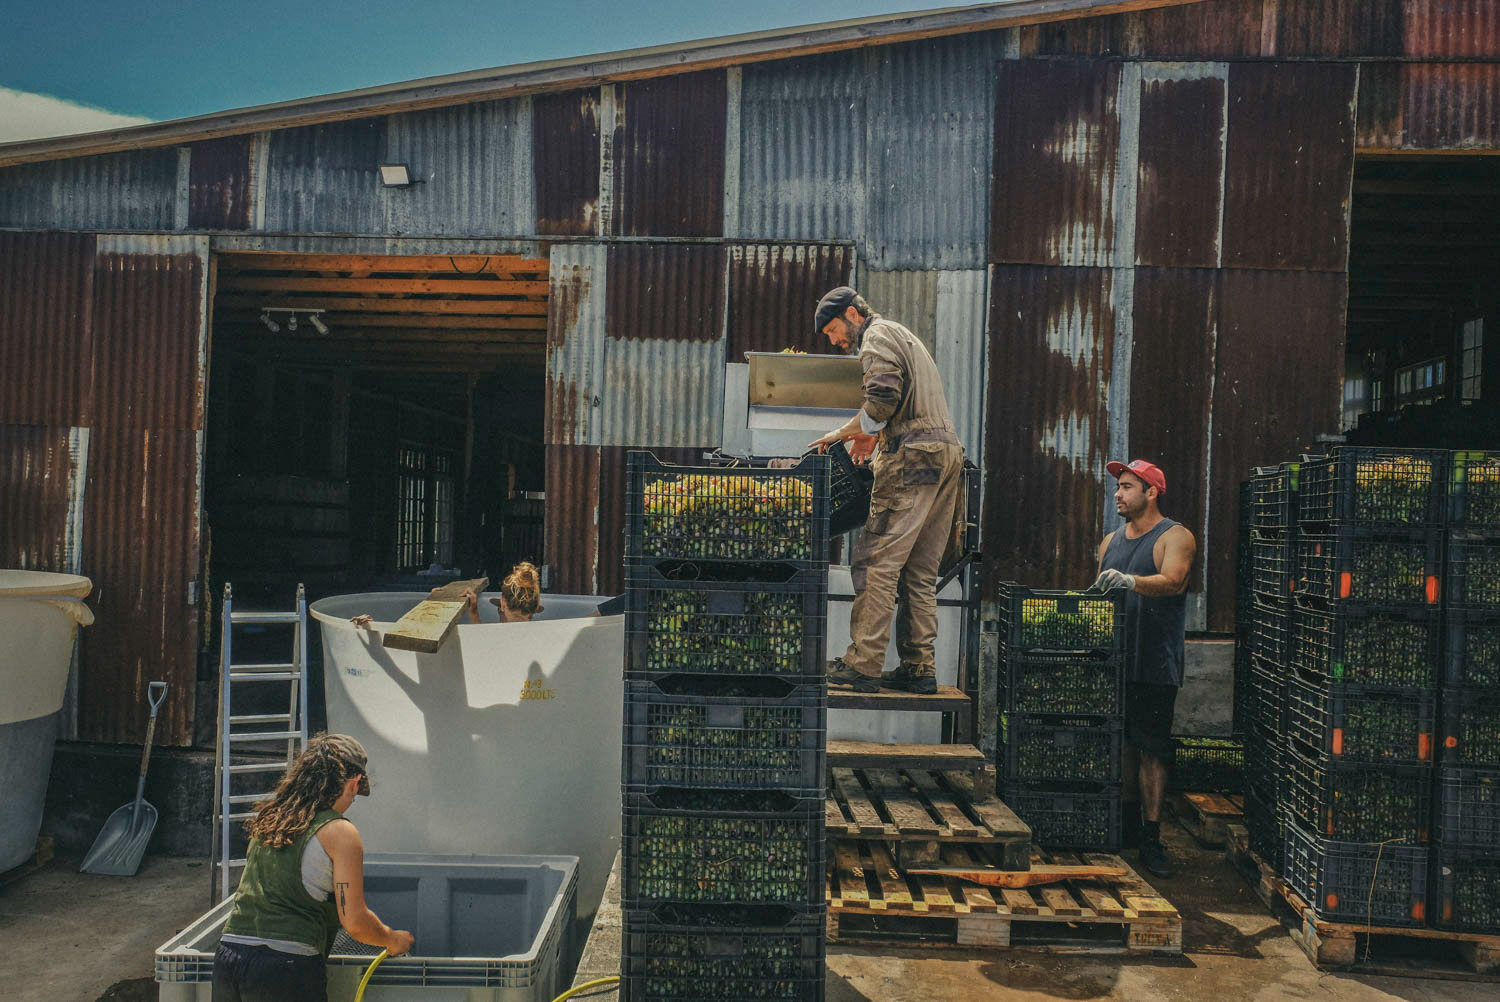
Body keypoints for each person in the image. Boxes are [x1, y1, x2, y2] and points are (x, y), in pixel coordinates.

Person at [807, 286, 964, 696]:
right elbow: (898, 404)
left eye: (833, 330)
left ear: (853, 314)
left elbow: (882, 399)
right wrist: (871, 433)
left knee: (875, 561)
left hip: (912, 458)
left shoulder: (875, 337)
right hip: (945, 456)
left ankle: (863, 665)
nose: (834, 340)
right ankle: (919, 666)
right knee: (919, 570)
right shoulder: (902, 334)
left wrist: (846, 431)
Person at [213, 733, 413, 1001]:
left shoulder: (271, 820)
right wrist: (392, 939)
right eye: (355, 794)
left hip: (229, 958)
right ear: (354, 783)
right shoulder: (340, 832)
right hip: (285, 968)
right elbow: (355, 922)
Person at [1092, 459, 1197, 880]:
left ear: (1151, 492)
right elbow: (1100, 599)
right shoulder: (1109, 542)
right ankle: (1126, 828)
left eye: (1127, 486)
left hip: (1155, 663)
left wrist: (1132, 581)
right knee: (1122, 746)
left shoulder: (1175, 536)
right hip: (1115, 662)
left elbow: (1174, 581)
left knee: (1151, 751)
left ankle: (1152, 839)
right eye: (1118, 486)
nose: (1118, 494)